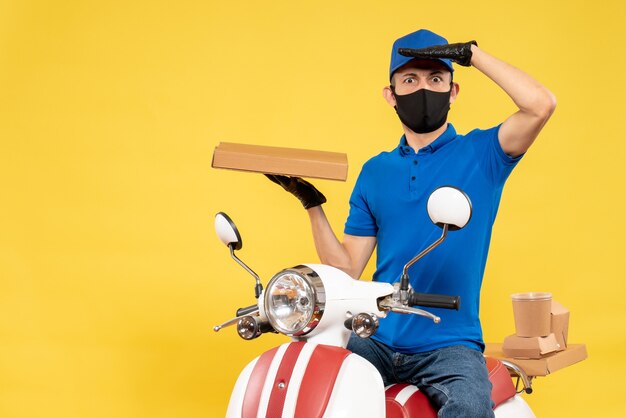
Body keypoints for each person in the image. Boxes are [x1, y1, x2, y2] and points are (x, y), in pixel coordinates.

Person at [266, 29, 556, 417]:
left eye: (436, 79)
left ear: (453, 92)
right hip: (377, 336)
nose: (424, 88)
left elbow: (541, 104)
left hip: (450, 344)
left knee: (469, 406)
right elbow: (347, 268)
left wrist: (472, 54)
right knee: (312, 382)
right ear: (391, 94)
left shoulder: (483, 153)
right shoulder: (376, 171)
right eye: (410, 79)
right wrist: (312, 204)